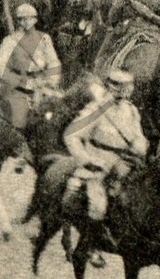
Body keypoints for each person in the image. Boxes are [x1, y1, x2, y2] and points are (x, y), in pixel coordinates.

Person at [63, 68, 151, 246]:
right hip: (98, 163)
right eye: (117, 85)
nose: (122, 91)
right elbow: (71, 136)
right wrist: (87, 159)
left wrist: (140, 145)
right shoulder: (96, 110)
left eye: (126, 86)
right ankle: (89, 245)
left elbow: (138, 136)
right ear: (109, 86)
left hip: (125, 164)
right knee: (98, 205)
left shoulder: (131, 111)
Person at [0, 3, 61, 131]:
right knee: (19, 119)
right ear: (18, 21)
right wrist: (20, 82)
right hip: (18, 88)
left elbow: (54, 61)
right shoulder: (10, 40)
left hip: (42, 84)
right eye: (22, 19)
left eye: (30, 18)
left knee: (58, 114)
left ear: (35, 19)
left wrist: (52, 80)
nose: (27, 21)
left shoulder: (44, 38)